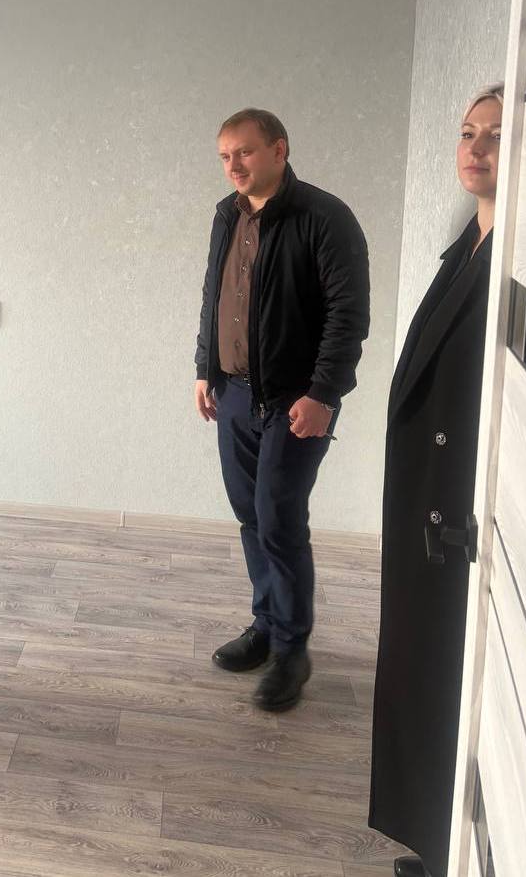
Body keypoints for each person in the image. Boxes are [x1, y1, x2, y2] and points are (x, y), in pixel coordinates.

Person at [369, 85, 503, 877]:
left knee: (449, 680)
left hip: (459, 516)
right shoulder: (468, 245)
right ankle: (434, 836)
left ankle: (450, 845)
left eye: (496, 134)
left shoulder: (520, 261)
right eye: (467, 131)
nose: (475, 148)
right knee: (423, 674)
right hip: (429, 505)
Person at [194, 108, 370, 711]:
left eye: (244, 152)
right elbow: (215, 295)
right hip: (235, 393)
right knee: (250, 514)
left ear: (279, 149)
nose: (233, 165)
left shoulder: (325, 217)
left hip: (296, 399)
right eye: (225, 156)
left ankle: (293, 650)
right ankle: (267, 625)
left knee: (279, 518)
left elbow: (349, 315)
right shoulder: (227, 215)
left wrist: (324, 394)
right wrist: (204, 368)